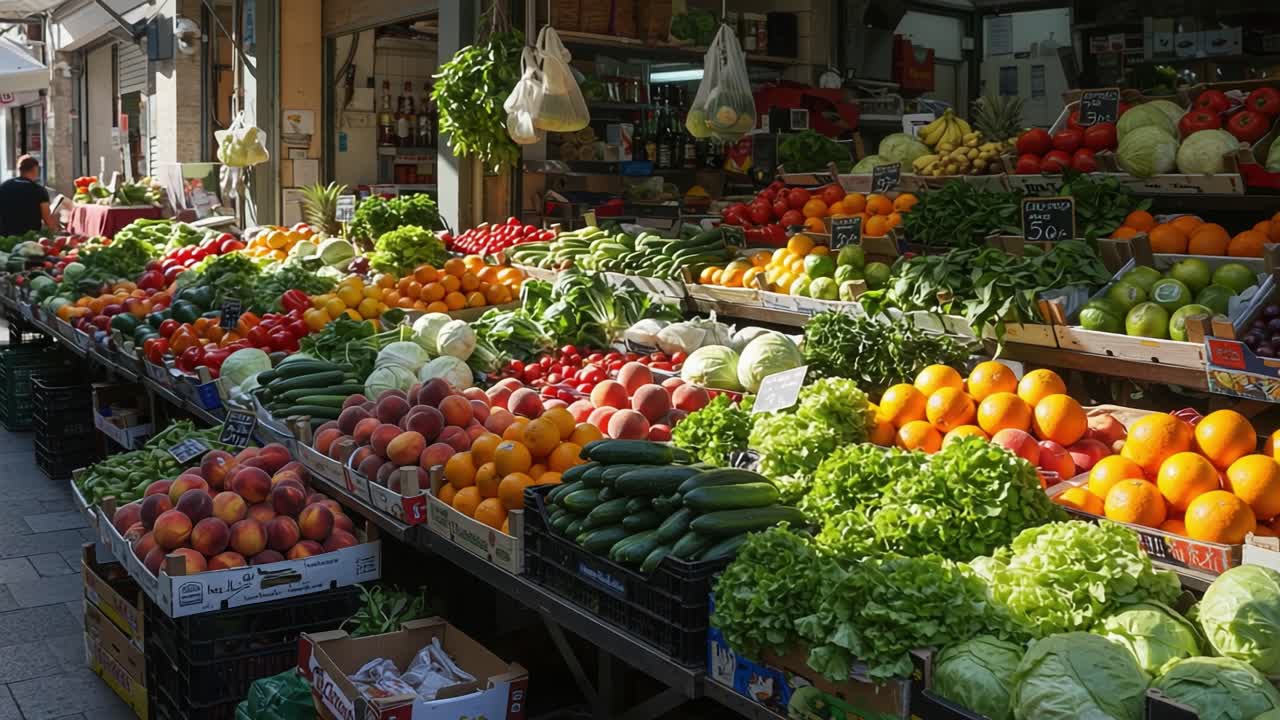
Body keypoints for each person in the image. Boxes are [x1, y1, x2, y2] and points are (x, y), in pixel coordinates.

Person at [0, 155, 59, 236]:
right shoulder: (39, 190)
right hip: (29, 238)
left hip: (5, 238)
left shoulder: (4, 186)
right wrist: (57, 232)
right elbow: (47, 218)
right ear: (35, 169)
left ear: (19, 170)